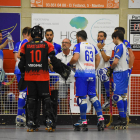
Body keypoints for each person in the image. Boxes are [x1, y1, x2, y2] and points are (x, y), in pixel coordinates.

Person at [18, 25, 71, 132]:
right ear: (42, 34)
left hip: (30, 78)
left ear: (32, 34)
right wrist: (61, 69)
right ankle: (49, 122)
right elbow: (53, 59)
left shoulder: (26, 45)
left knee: (32, 100)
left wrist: (24, 72)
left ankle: (31, 123)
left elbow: (20, 64)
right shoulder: (47, 44)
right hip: (43, 77)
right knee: (47, 100)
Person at [67, 30, 104, 131]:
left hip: (82, 75)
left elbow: (75, 58)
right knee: (93, 96)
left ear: (79, 37)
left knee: (82, 98)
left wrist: (69, 63)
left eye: (76, 37)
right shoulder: (92, 46)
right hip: (91, 74)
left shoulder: (78, 46)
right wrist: (94, 68)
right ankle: (101, 118)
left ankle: (83, 121)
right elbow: (97, 57)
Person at [107, 31, 129, 128]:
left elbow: (115, 61)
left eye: (113, 39)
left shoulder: (119, 46)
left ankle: (122, 118)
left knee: (116, 96)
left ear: (116, 37)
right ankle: (123, 118)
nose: (113, 41)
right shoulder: (125, 47)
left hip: (119, 73)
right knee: (123, 96)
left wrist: (110, 69)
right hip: (125, 72)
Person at [13, 27, 32, 126]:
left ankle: (21, 115)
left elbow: (15, 57)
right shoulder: (26, 42)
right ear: (26, 34)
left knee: (24, 93)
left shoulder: (18, 43)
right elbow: (19, 56)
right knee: (24, 93)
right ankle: (20, 116)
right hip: (24, 71)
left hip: (19, 70)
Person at [55, 38, 74, 114]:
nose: (64, 44)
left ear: (70, 45)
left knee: (75, 98)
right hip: (62, 80)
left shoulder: (74, 55)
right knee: (62, 98)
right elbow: (53, 69)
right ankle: (64, 115)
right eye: (63, 42)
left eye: (66, 42)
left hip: (73, 80)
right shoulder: (58, 56)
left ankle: (75, 115)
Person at [95, 31, 112, 110]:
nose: (99, 37)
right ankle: (95, 114)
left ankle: (108, 99)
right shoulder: (94, 47)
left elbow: (106, 59)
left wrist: (101, 48)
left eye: (101, 36)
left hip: (105, 74)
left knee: (104, 94)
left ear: (105, 38)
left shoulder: (108, 48)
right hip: (96, 74)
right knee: (95, 95)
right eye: (98, 36)